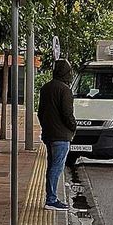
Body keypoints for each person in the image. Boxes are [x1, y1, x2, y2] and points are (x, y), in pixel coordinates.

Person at [38, 59, 77, 210]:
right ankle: (51, 199)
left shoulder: (45, 88)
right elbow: (68, 114)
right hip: (61, 136)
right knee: (56, 167)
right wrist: (73, 127)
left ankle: (50, 196)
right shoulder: (65, 90)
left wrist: (46, 127)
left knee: (51, 166)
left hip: (49, 134)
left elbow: (41, 113)